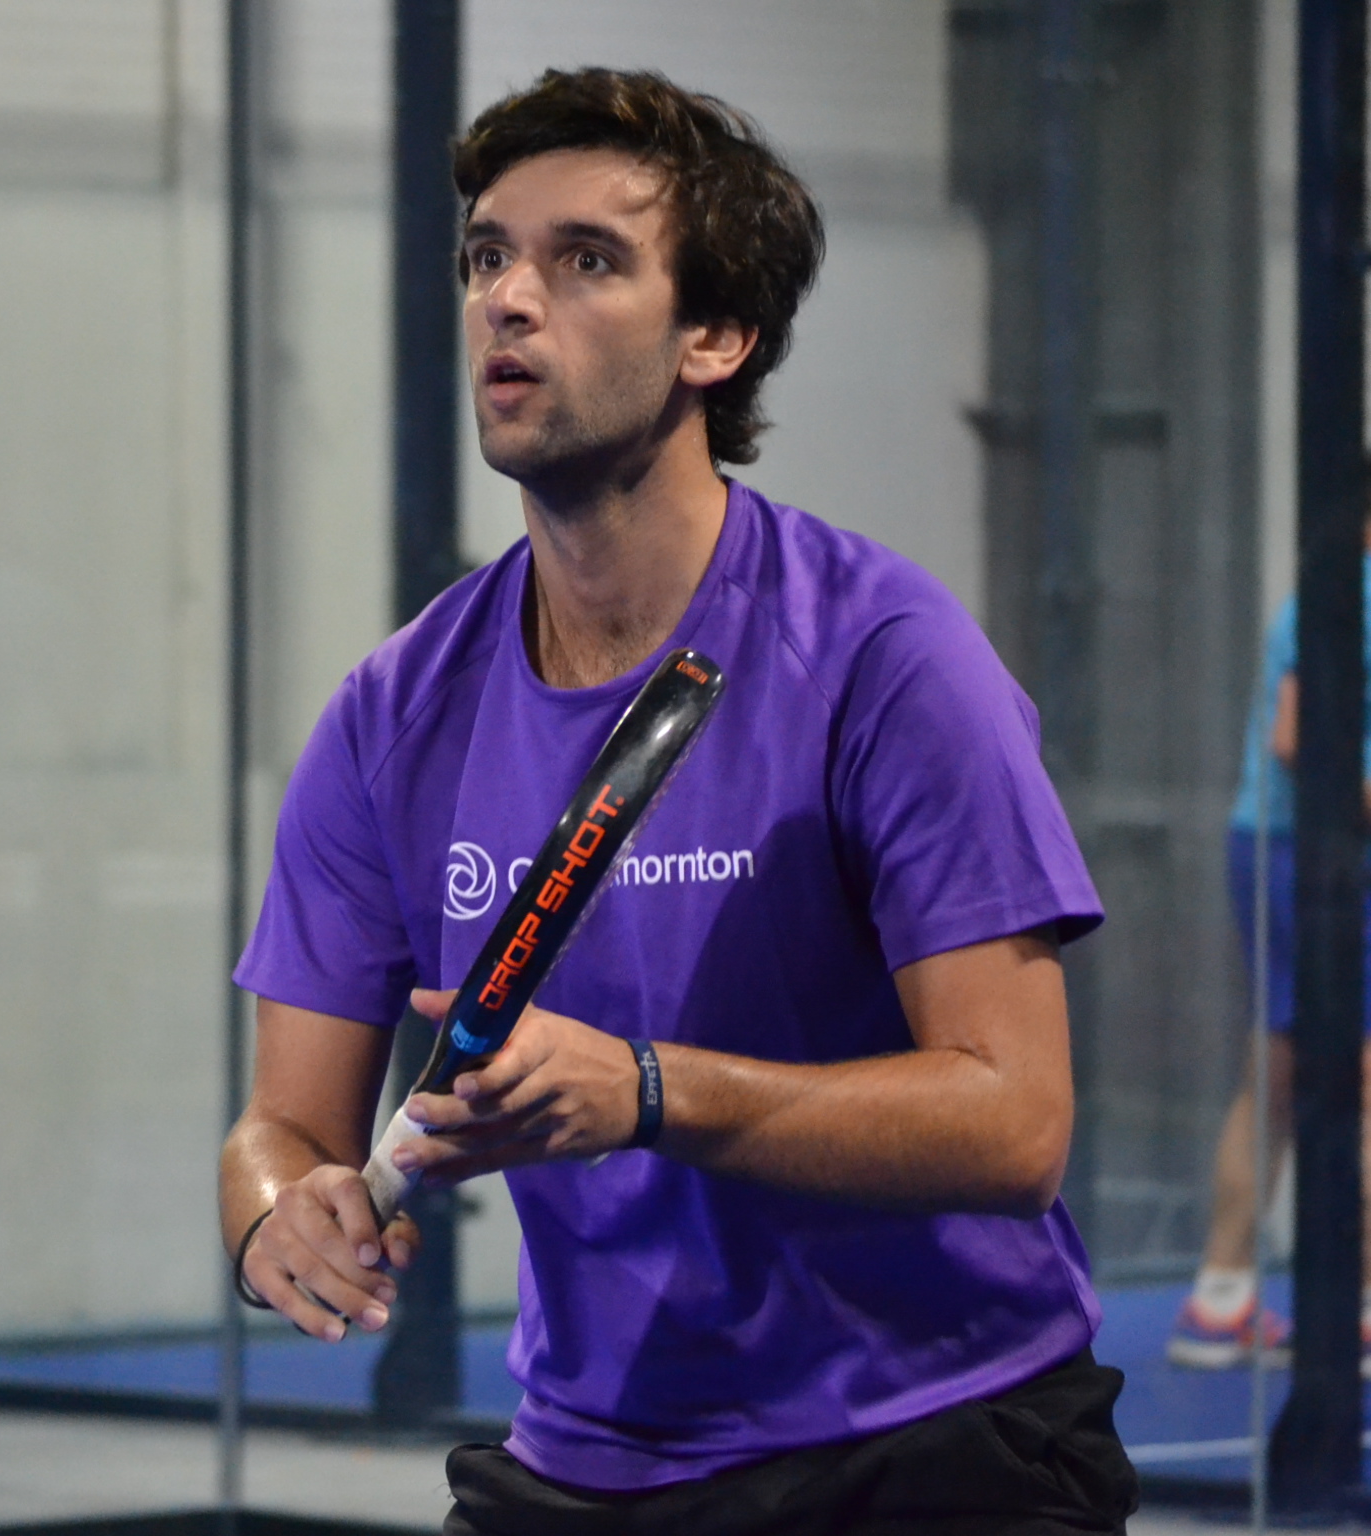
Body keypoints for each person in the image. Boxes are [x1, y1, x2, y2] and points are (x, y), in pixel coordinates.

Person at [219, 67, 1138, 1535]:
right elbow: (281, 1125)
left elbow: (1016, 1121)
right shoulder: (391, 716)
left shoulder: (887, 657)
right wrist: (281, 1213)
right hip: (584, 1466)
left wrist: (647, 1092)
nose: (511, 300)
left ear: (715, 337)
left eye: (586, 260)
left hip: (931, 1443)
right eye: (488, 256)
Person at [1167, 531, 1371, 1370]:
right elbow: (1298, 739)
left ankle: (1220, 1299)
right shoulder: (1349, 594)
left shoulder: (1329, 593)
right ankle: (1358, 1310)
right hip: (1309, 855)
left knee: (1276, 1074)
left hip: (1290, 851)